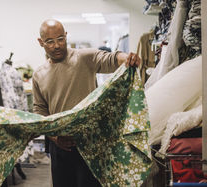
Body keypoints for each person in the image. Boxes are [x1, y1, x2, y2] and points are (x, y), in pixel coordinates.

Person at [32, 19, 140, 187]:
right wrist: (54, 137)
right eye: (50, 41)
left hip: (91, 142)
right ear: (41, 42)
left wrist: (127, 58)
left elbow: (111, 59)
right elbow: (39, 111)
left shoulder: (84, 57)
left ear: (66, 36)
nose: (57, 45)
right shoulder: (39, 74)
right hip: (60, 145)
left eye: (60, 39)